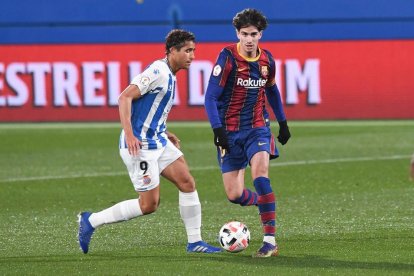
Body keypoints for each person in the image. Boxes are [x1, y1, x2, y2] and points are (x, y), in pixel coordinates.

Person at [78, 29, 222, 254]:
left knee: (187, 182)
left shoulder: (170, 73)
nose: (192, 56)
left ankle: (195, 242)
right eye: (187, 51)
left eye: (193, 51)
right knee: (148, 205)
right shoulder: (158, 71)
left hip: (158, 139)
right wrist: (129, 134)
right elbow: (124, 97)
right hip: (140, 146)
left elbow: (149, 110)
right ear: (173, 51)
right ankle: (91, 220)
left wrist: (165, 131)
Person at [204, 8, 291, 258]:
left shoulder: (267, 61)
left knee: (261, 177)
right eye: (244, 34)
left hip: (257, 128)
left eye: (253, 34)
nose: (249, 39)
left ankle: (269, 241)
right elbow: (210, 97)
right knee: (234, 195)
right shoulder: (228, 57)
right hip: (229, 133)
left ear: (260, 34)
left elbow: (272, 91)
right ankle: (265, 203)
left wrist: (282, 123)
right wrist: (218, 130)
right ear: (237, 34)